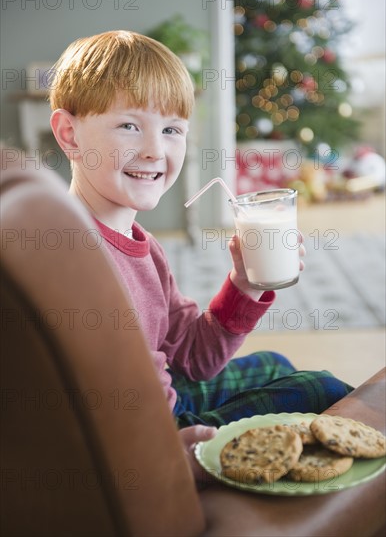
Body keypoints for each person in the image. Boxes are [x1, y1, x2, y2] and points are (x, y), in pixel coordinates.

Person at [49, 30, 353, 479]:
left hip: (165, 397)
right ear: (69, 132)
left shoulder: (142, 246)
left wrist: (244, 285)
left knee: (276, 366)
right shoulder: (77, 261)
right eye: (130, 125)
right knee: (320, 388)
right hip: (155, 436)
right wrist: (165, 455)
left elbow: (195, 357)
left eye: (172, 130)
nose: (156, 149)